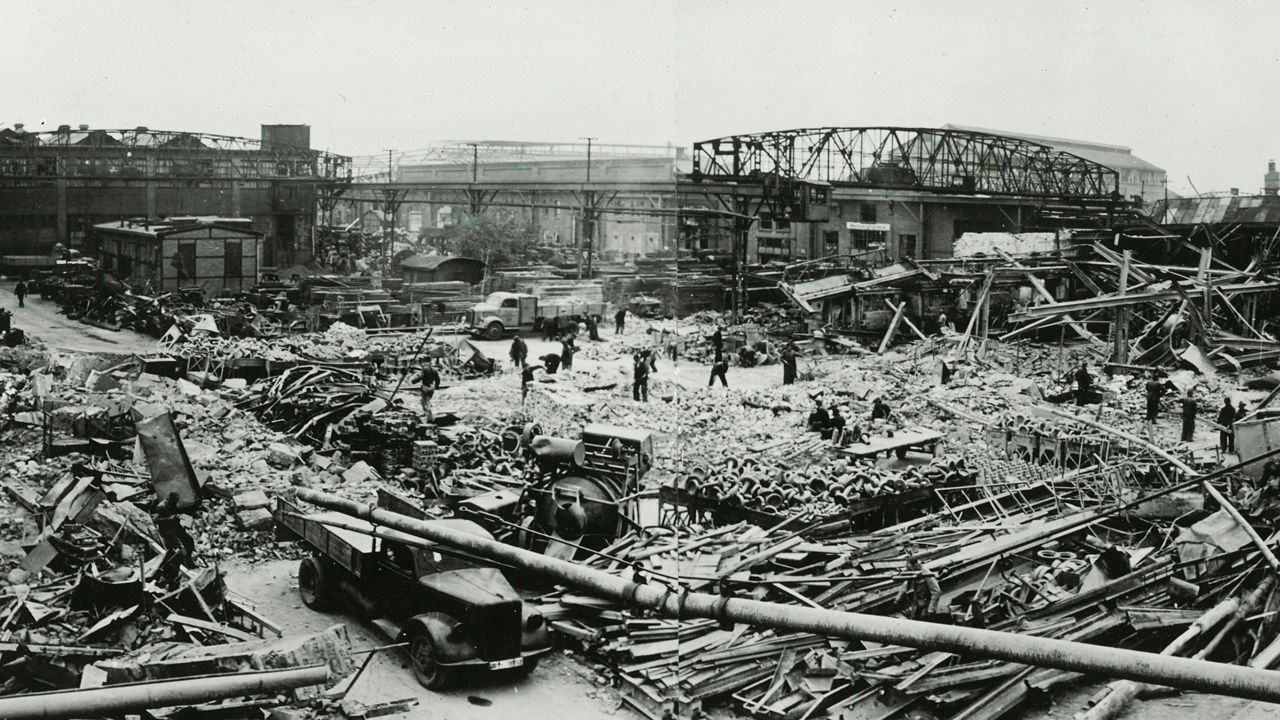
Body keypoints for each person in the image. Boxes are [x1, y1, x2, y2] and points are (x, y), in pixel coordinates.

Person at [153, 492, 195, 569]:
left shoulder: (172, 504)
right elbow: (155, 520)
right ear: (170, 499)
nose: (176, 502)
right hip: (166, 530)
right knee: (177, 547)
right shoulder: (161, 506)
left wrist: (178, 516)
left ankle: (188, 559)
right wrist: (169, 518)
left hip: (175, 527)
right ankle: (180, 565)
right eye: (175, 500)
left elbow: (174, 512)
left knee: (189, 540)